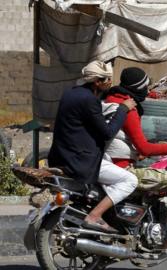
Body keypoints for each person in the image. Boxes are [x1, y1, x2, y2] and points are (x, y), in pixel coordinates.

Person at [101, 67, 167, 248]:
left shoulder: (110, 100)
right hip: (122, 170)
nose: (147, 91)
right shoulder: (128, 109)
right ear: (137, 88)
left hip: (109, 165)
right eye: (145, 87)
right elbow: (145, 147)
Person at [48, 60, 137, 233]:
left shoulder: (70, 94)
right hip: (81, 162)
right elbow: (108, 132)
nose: (110, 83)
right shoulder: (89, 100)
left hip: (61, 156)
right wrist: (123, 109)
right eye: (107, 80)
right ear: (97, 82)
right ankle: (95, 216)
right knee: (130, 180)